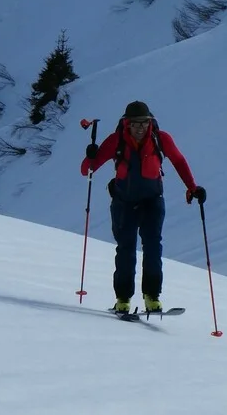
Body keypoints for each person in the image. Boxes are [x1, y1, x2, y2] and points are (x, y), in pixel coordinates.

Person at [80, 101, 206, 314]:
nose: (140, 127)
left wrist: (193, 188)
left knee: (153, 247)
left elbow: (179, 161)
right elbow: (87, 170)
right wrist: (90, 156)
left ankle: (152, 297)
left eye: (144, 123)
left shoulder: (161, 139)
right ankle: (123, 299)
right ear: (127, 123)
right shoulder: (116, 140)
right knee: (126, 249)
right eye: (135, 123)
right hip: (123, 203)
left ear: (150, 122)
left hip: (152, 201)